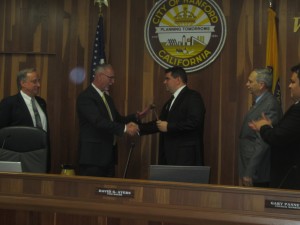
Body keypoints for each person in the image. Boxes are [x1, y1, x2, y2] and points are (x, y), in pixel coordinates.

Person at [76, 64, 140, 177]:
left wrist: (136, 116)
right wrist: (125, 129)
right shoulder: (86, 97)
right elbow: (98, 121)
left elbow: (117, 119)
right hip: (93, 158)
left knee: (108, 192)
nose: (113, 81)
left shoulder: (108, 98)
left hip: (108, 156)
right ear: (100, 76)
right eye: (110, 78)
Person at [139, 66, 206, 166]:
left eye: (167, 79)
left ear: (178, 80)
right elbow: (160, 123)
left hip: (186, 158)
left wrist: (169, 126)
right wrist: (138, 128)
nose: (164, 82)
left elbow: (194, 122)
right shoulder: (170, 102)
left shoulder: (193, 96)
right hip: (169, 157)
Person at [249, 63, 300, 189]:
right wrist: (271, 126)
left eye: (293, 82)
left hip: (290, 176)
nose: (289, 86)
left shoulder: (298, 110)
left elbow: (277, 137)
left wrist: (263, 127)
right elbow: (288, 132)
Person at [239, 68, 282, 187]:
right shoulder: (260, 102)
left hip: (258, 170)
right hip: (251, 166)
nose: (247, 84)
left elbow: (263, 141)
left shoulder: (269, 105)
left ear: (261, 84)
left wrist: (249, 171)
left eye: (250, 81)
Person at [0, 68, 50, 171]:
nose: (39, 85)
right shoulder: (9, 103)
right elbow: (2, 132)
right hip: (17, 157)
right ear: (23, 83)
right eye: (34, 81)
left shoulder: (41, 102)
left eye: (39, 81)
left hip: (40, 156)